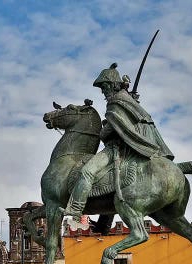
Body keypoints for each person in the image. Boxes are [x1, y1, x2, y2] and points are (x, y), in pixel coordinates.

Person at [61, 62, 174, 219]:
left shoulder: (116, 102)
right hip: (128, 148)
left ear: (112, 85)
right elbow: (126, 121)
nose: (103, 92)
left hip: (117, 149)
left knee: (87, 171)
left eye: (104, 87)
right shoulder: (126, 100)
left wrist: (102, 131)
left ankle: (75, 208)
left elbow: (114, 126)